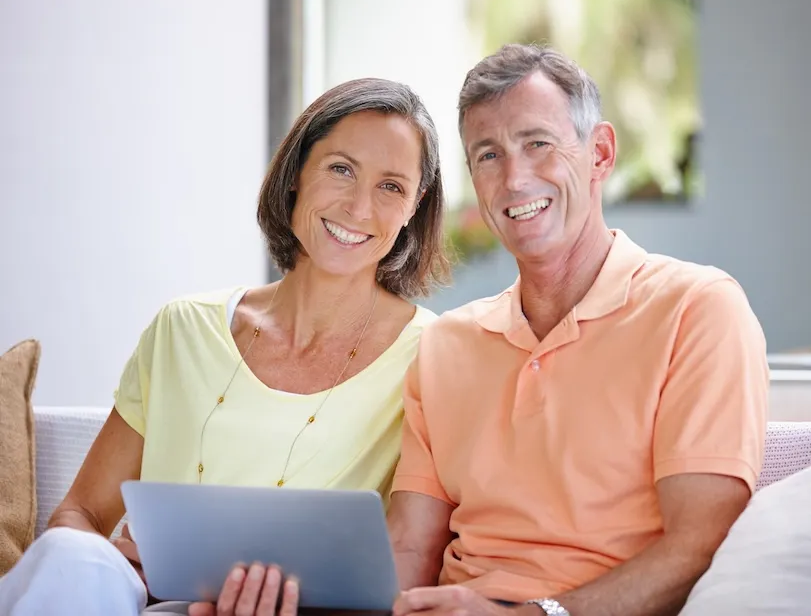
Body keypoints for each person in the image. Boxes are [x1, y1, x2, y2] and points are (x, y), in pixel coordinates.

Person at [216, 44, 770, 616]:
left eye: (538, 144)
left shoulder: (697, 310)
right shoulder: (447, 345)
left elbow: (701, 544)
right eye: (488, 155)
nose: (514, 178)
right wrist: (277, 596)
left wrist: (537, 615)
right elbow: (408, 548)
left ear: (599, 153)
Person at [0, 77, 450, 616]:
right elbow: (79, 514)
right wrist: (120, 566)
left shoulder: (434, 354)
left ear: (414, 207)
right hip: (149, 607)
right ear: (296, 175)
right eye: (341, 169)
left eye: (391, 186)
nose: (358, 206)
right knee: (73, 556)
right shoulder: (183, 329)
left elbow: (413, 557)